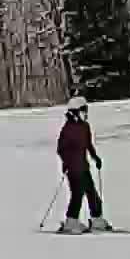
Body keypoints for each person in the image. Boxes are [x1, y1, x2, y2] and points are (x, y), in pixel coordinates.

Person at [56, 96, 106, 233]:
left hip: (83, 167)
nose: (86, 113)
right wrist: (66, 163)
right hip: (73, 168)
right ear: (74, 112)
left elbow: (88, 145)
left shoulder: (85, 126)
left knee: (92, 193)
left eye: (86, 109)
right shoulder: (68, 129)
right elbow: (61, 149)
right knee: (77, 194)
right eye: (83, 110)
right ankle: (71, 222)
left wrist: (95, 157)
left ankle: (97, 219)